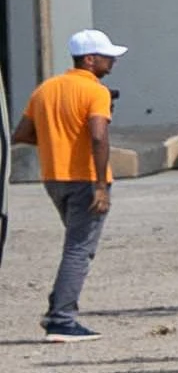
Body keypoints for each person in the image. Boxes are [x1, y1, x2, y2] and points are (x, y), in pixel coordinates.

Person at [27, 26, 120, 338]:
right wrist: (101, 186)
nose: (113, 63)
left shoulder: (45, 89)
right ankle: (62, 319)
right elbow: (97, 136)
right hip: (85, 179)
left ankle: (58, 306)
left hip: (54, 177)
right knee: (79, 249)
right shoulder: (95, 91)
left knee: (75, 244)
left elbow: (22, 133)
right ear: (90, 59)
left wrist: (57, 138)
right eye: (108, 58)